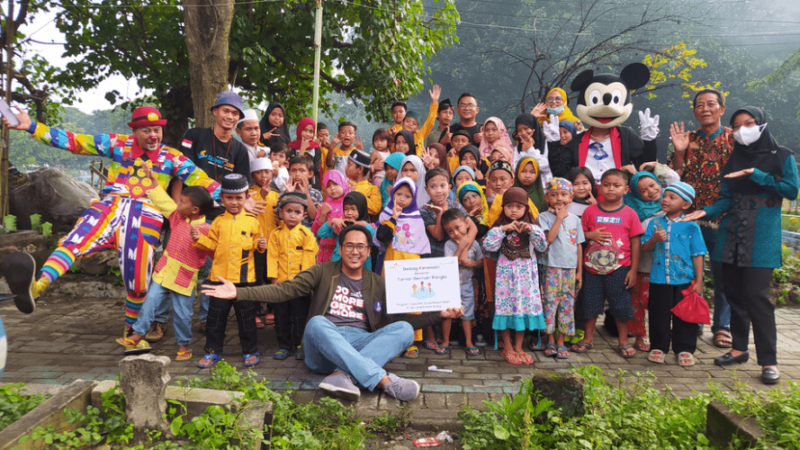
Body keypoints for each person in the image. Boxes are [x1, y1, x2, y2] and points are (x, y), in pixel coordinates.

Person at [0, 107, 220, 332]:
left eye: (157, 130)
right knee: (74, 241)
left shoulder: (172, 157)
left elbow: (200, 178)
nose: (153, 135)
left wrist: (236, 199)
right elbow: (76, 141)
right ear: (134, 131)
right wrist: (32, 127)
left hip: (146, 211)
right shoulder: (117, 144)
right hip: (110, 205)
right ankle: (37, 286)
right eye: (146, 130)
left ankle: (132, 333)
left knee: (138, 280)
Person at [201, 225, 464, 402]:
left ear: (368, 250)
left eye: (361, 246)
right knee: (316, 323)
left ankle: (342, 376)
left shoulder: (378, 282)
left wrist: (439, 314)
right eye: (349, 245)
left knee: (405, 331)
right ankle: (383, 381)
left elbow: (402, 320)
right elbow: (284, 291)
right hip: (324, 346)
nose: (355, 251)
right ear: (341, 248)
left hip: (362, 342)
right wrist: (239, 293)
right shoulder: (323, 271)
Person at [683, 106, 799, 385]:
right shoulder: (733, 158)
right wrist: (705, 211)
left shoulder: (782, 155)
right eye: (737, 125)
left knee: (757, 296)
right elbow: (726, 198)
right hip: (731, 231)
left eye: (749, 123)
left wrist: (755, 173)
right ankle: (738, 349)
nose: (742, 129)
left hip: (762, 234)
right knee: (732, 292)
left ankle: (769, 361)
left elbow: (790, 190)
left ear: (761, 124)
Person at [118, 167, 215, 359]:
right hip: (164, 271)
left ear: (195, 209)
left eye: (183, 201)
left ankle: (183, 346)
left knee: (182, 315)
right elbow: (163, 202)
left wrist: (200, 240)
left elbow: (213, 250)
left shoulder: (207, 229)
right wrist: (153, 180)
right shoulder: (178, 217)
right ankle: (136, 335)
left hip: (184, 278)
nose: (178, 203)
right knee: (150, 301)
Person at [668, 88, 735, 348]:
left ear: (721, 109)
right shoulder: (687, 139)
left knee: (722, 273)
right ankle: (692, 320)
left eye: (710, 104)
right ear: (694, 111)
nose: (705, 109)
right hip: (689, 218)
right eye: (699, 105)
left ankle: (721, 326)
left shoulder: (734, 140)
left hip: (723, 217)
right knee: (689, 273)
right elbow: (674, 179)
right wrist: (681, 152)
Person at [192, 174, 266, 369]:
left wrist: (261, 245)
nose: (234, 202)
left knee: (247, 319)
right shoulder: (217, 221)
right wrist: (199, 238)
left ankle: (249, 351)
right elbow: (213, 245)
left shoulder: (252, 221)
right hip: (219, 278)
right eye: (230, 198)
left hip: (245, 280)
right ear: (222, 198)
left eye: (239, 197)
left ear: (246, 197)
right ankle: (212, 352)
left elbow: (259, 245)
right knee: (215, 319)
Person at [575, 169, 643, 358]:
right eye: (606, 185)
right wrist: (591, 235)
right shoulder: (590, 211)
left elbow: (636, 242)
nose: (611, 189)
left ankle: (623, 341)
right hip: (591, 269)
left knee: (621, 305)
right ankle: (588, 338)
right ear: (599, 187)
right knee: (590, 303)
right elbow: (579, 237)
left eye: (616, 185)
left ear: (626, 189)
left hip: (620, 269)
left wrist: (633, 270)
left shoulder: (630, 214)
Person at [642, 182, 707, 366]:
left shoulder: (692, 227)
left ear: (685, 205)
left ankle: (685, 349)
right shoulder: (654, 223)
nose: (665, 200)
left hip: (685, 280)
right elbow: (646, 247)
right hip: (658, 279)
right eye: (665, 196)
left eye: (672, 197)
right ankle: (658, 347)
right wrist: (654, 239)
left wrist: (699, 281)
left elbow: (698, 254)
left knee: (686, 315)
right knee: (658, 313)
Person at [482, 187, 548, 365]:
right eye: (509, 205)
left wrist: (532, 230)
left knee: (522, 309)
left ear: (526, 208)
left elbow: (542, 246)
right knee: (506, 308)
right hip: (506, 280)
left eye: (519, 206)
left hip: (527, 281)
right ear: (503, 207)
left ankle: (519, 346)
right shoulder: (499, 227)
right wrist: (503, 228)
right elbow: (488, 245)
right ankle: (507, 347)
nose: (513, 210)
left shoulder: (532, 228)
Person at [623, 163, 681, 352]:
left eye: (653, 185)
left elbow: (674, 179)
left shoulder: (669, 204)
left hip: (669, 267)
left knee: (661, 304)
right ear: (636, 194)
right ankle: (640, 334)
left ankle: (664, 334)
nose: (651, 191)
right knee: (639, 302)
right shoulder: (636, 213)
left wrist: (657, 165)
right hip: (644, 266)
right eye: (643, 190)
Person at [374, 177, 432, 358]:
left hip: (412, 263)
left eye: (407, 196)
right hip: (392, 260)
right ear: (392, 194)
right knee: (391, 300)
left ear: (413, 198)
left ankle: (411, 341)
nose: (402, 198)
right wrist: (394, 217)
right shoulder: (386, 214)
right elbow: (382, 237)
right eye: (399, 194)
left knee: (412, 301)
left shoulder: (417, 218)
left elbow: (422, 245)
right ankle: (392, 340)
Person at [181, 92, 251, 219]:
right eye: (226, 111)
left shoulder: (240, 150)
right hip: (191, 212)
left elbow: (242, 186)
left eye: (235, 113)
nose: (230, 117)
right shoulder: (194, 135)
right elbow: (182, 170)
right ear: (215, 111)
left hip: (221, 216)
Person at [268, 191, 320, 361]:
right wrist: (274, 281)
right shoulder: (275, 234)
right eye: (288, 211)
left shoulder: (307, 235)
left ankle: (300, 345)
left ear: (304, 215)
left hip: (300, 286)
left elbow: (309, 261)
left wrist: (305, 284)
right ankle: (284, 346)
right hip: (281, 285)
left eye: (297, 212)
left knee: (300, 317)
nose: (292, 215)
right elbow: (273, 258)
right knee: (281, 316)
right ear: (281, 212)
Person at [538, 178, 584, 360]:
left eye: (564, 194)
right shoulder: (543, 217)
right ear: (546, 197)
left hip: (570, 269)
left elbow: (579, 245)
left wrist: (579, 271)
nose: (559, 198)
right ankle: (549, 339)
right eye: (554, 194)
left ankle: (561, 341)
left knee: (567, 305)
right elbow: (548, 239)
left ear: (571, 197)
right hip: (550, 267)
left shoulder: (575, 220)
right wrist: (558, 218)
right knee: (550, 303)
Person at [441, 208, 484, 355]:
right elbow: (450, 263)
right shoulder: (449, 245)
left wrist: (472, 263)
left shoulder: (475, 244)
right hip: (450, 285)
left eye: (457, 227)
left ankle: (469, 342)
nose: (455, 233)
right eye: (450, 231)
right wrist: (460, 247)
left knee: (467, 314)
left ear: (467, 224)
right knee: (447, 313)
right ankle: (445, 341)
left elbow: (480, 262)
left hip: (467, 285)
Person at [317, 192, 376, 268]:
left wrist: (364, 225)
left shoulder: (367, 226)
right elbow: (321, 233)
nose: (349, 213)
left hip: (362, 267)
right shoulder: (341, 224)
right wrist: (332, 221)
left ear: (361, 208)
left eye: (353, 209)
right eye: (346, 209)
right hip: (340, 266)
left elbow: (375, 240)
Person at [312, 171, 350, 263]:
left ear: (343, 183)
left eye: (336, 184)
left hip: (344, 248)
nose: (332, 188)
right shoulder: (324, 205)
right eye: (328, 186)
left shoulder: (350, 204)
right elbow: (316, 231)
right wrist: (323, 214)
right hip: (326, 248)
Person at [512, 113, 551, 186]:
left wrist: (530, 150)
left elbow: (546, 166)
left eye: (526, 128)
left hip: (543, 189)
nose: (523, 133)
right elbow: (515, 168)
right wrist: (524, 151)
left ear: (534, 128)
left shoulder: (547, 144)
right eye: (519, 130)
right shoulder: (516, 150)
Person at [401, 85, 441, 156]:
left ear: (417, 128)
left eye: (414, 123)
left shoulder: (420, 135)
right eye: (408, 121)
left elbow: (430, 122)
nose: (410, 124)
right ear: (402, 123)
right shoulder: (397, 134)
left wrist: (434, 102)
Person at [286, 155, 322, 229]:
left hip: (309, 235)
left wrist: (307, 194)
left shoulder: (316, 194)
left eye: (302, 170)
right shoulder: (285, 193)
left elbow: (314, 216)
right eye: (293, 170)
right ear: (289, 173)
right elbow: (282, 216)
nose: (297, 174)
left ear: (310, 174)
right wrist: (290, 194)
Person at [287, 117, 323, 190]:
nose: (308, 134)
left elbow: (315, 169)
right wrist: (302, 149)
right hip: (293, 186)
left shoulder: (316, 148)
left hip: (312, 186)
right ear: (299, 130)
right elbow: (292, 166)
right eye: (305, 130)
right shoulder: (291, 147)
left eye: (311, 131)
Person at [347, 150, 382, 216]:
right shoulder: (344, 184)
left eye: (349, 164)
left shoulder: (372, 189)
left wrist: (356, 193)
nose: (346, 167)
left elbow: (375, 209)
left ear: (360, 169)